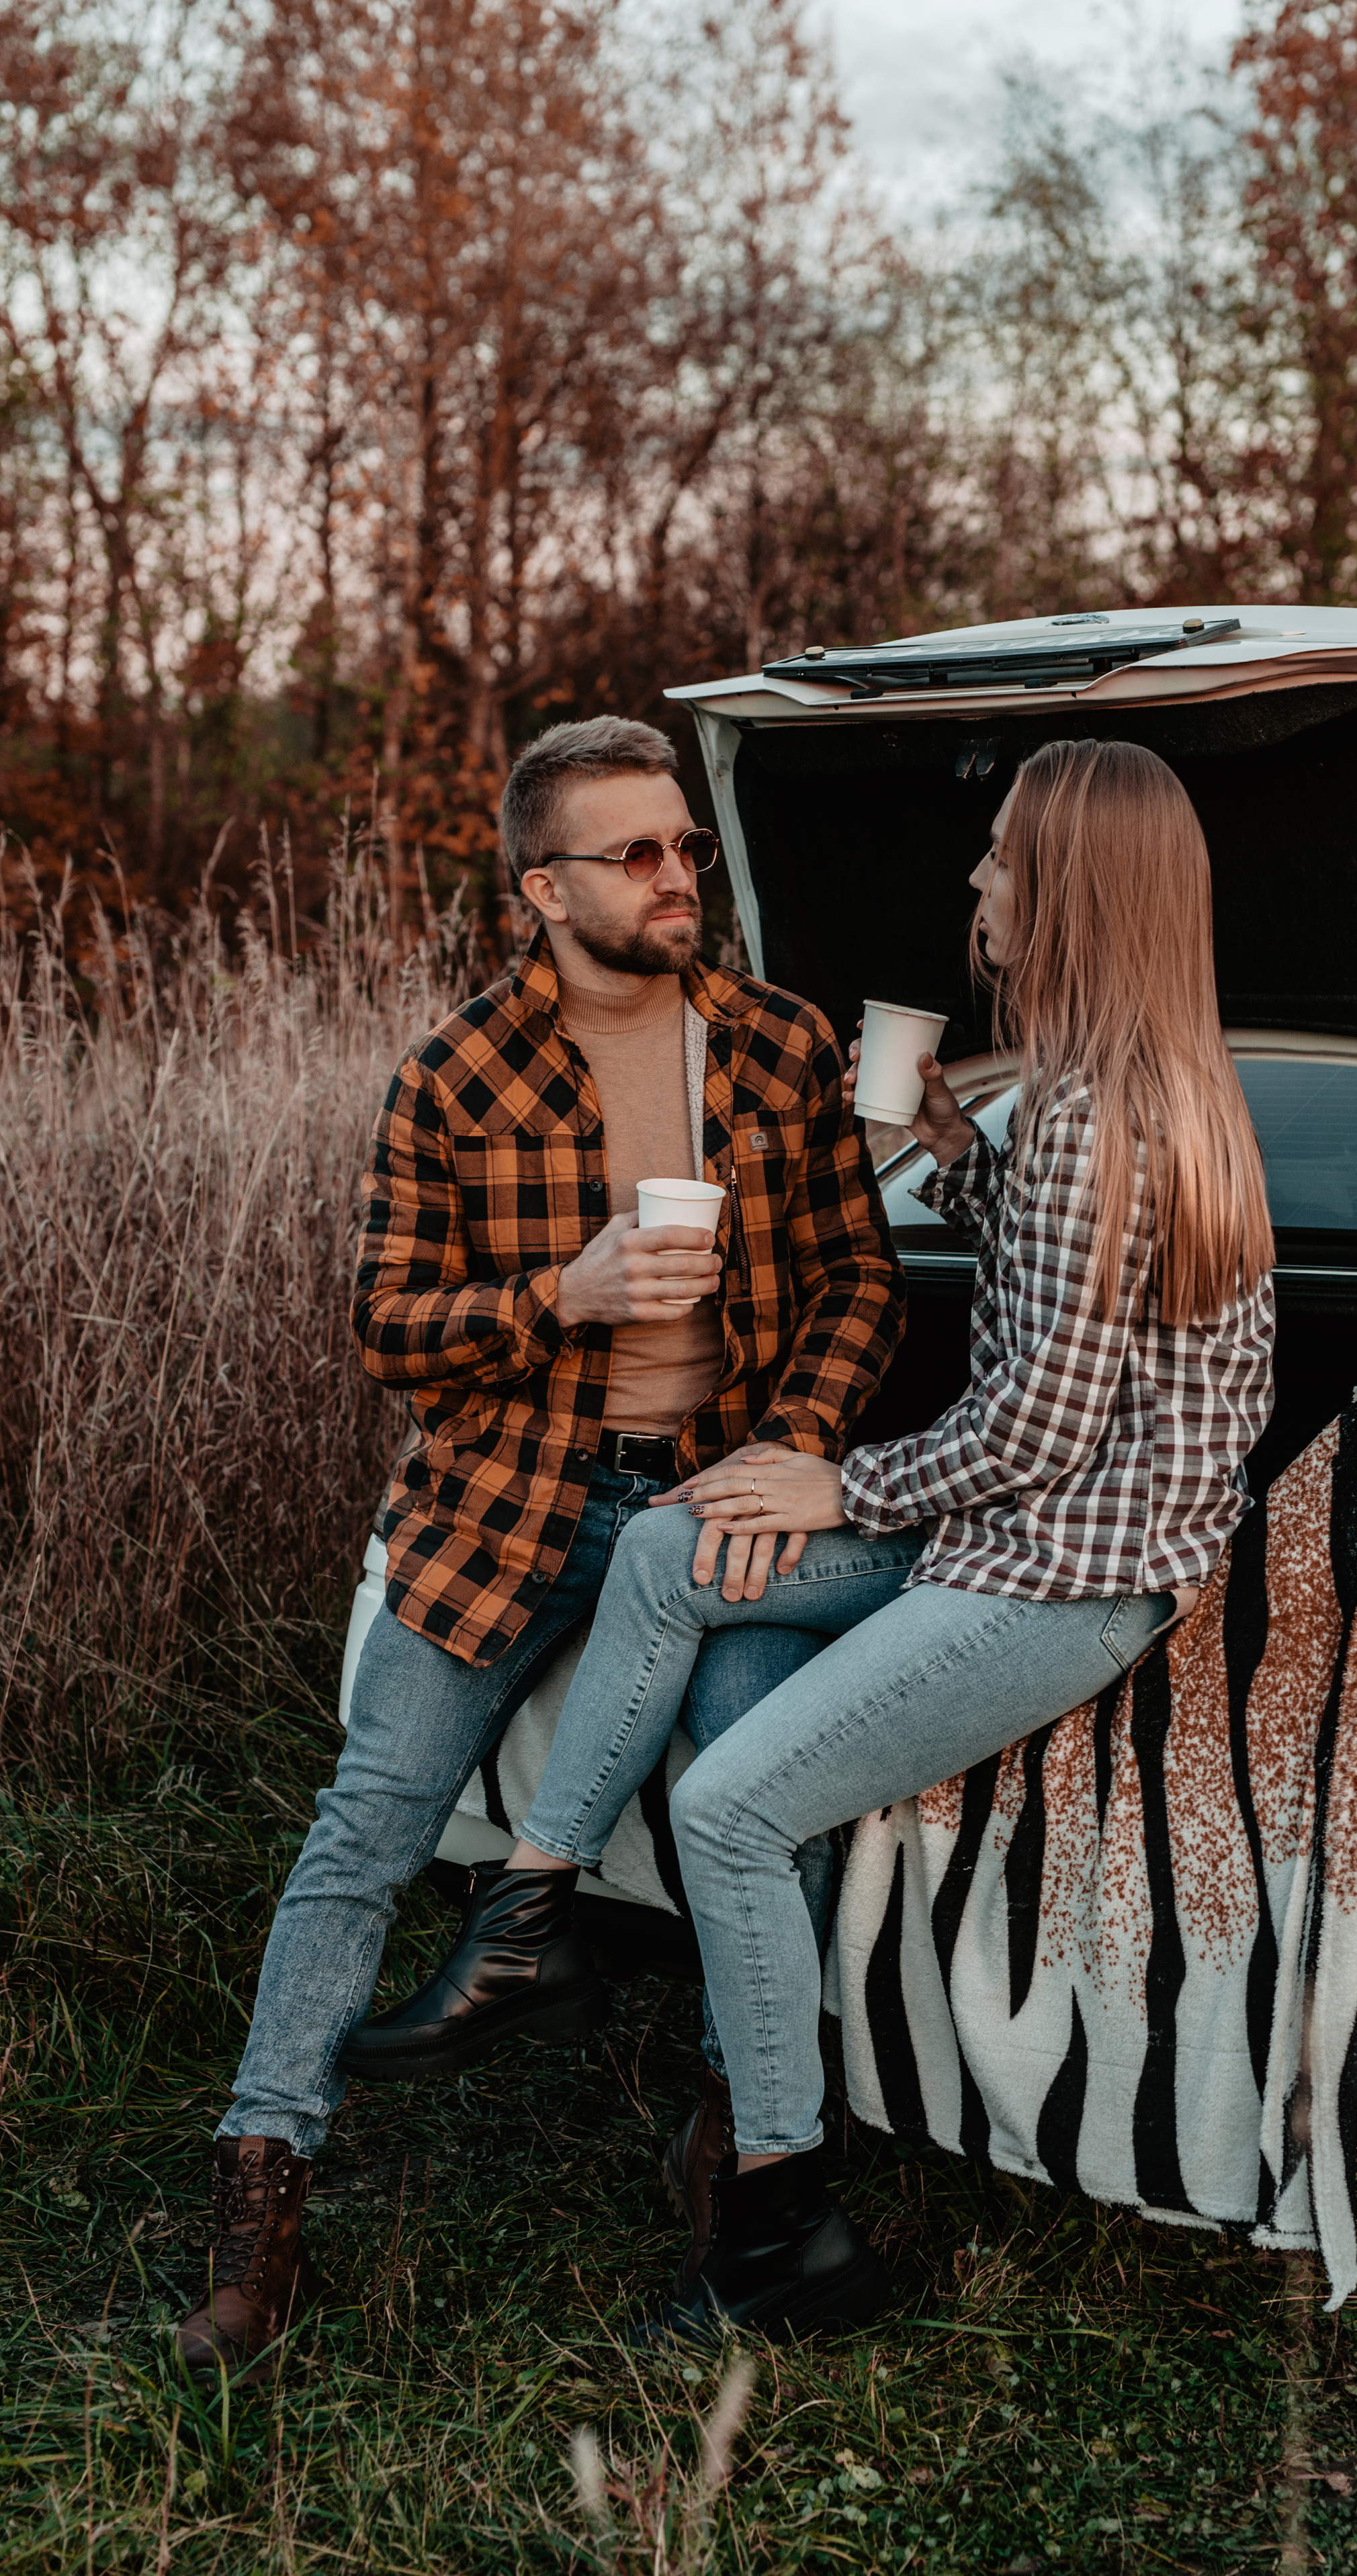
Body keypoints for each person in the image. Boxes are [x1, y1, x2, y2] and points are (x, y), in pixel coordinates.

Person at [503, 734, 1279, 2342]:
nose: (976, 878)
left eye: (999, 853)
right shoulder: (1123, 1088)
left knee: (724, 1806)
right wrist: (944, 1144)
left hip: (1065, 1573)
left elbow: (1036, 1432)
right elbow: (1071, 1307)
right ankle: (529, 1914)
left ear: (1066, 887)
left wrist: (831, 1483)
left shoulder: (1099, 1119)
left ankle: (784, 2238)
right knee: (671, 1543)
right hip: (1027, 1535)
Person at [176, 715, 905, 2374]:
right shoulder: (454, 1073)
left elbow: (863, 1278)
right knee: (363, 1828)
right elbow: (383, 1325)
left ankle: (741, 2148)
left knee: (750, 1787)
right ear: (541, 885)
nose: (675, 878)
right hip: (508, 1499)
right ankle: (263, 2180)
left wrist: (795, 1443)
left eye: (684, 849)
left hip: (719, 1498)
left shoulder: (779, 1045)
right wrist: (554, 1299)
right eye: (635, 854)